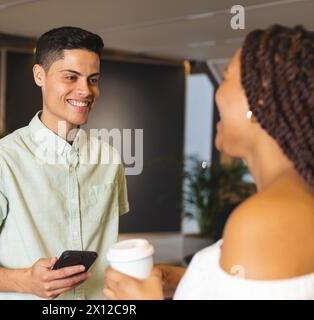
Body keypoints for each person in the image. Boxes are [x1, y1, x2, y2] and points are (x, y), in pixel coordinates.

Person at [104, 25, 314, 300]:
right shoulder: (291, 203)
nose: (218, 93)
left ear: (258, 99)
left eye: (227, 76)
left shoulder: (265, 219)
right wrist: (186, 281)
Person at [0, 26, 129, 300]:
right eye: (71, 77)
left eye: (93, 79)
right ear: (39, 75)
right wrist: (25, 281)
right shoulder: (0, 161)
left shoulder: (110, 160)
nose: (85, 90)